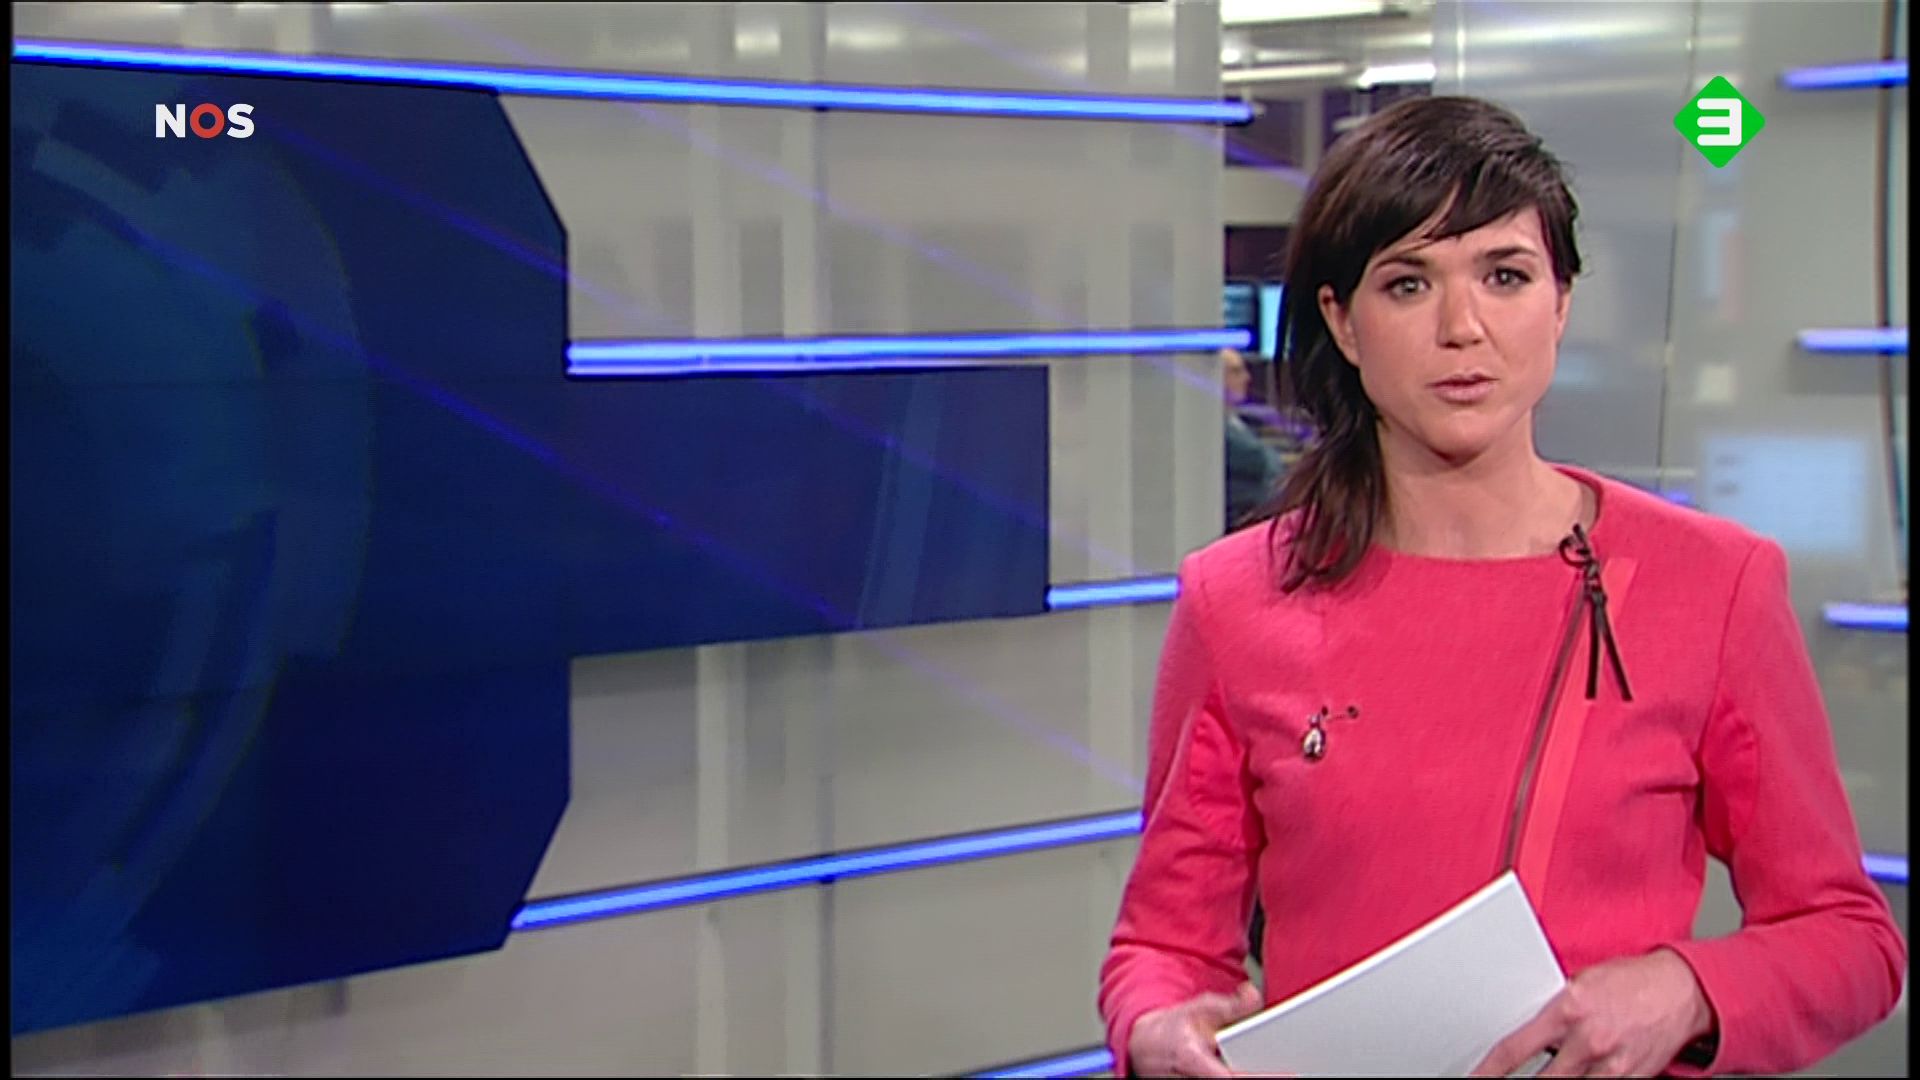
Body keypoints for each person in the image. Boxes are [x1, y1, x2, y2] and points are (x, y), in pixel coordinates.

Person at [1098, 95, 1906, 1078]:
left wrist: (1689, 989)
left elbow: (1850, 938)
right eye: (1408, 284)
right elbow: (1164, 946)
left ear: (1560, 304)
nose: (1462, 327)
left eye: (1506, 276)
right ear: (1343, 322)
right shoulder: (1237, 600)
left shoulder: (1714, 584)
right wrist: (1156, 1026)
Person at [1221, 346, 1285, 532]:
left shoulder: (1239, 422)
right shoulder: (1215, 431)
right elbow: (1261, 461)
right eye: (1236, 371)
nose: (1247, 378)